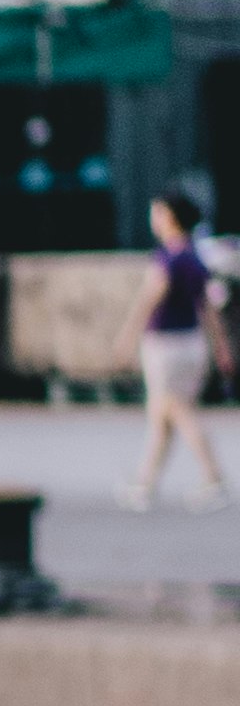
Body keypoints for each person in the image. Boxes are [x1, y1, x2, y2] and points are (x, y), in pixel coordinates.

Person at [129, 183, 227, 509]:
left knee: (177, 410)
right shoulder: (195, 257)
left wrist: (128, 335)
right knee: (161, 417)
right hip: (192, 344)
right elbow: (209, 310)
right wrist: (222, 348)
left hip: (166, 345)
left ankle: (214, 477)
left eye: (157, 212)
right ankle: (145, 483)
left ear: (169, 217)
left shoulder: (168, 258)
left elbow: (149, 299)